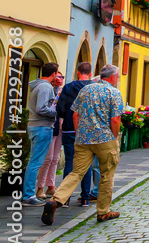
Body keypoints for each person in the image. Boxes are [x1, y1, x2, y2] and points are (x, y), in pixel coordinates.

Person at [42, 64, 124, 225]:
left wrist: (79, 133)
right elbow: (115, 119)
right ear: (112, 77)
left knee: (76, 172)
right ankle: (103, 212)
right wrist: (114, 137)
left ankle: (56, 200)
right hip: (105, 139)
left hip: (83, 139)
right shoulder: (114, 93)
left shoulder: (85, 90)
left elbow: (75, 114)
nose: (118, 78)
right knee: (106, 175)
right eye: (118, 76)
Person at [55, 62, 95, 207]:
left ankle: (65, 198)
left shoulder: (68, 87)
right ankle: (85, 197)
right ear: (90, 73)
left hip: (69, 129)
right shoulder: (94, 88)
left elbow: (60, 109)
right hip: (88, 131)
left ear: (78, 72)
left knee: (70, 163)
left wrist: (66, 117)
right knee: (86, 164)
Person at [22, 62, 60, 207]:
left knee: (34, 161)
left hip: (37, 126)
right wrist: (56, 112)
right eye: (56, 74)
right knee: (35, 162)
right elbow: (42, 108)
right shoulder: (44, 87)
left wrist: (55, 88)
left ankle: (29, 193)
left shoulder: (39, 85)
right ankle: (29, 195)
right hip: (42, 126)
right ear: (53, 74)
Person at [35, 71, 65, 201]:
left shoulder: (63, 91)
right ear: (52, 77)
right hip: (49, 125)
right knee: (47, 158)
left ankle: (51, 185)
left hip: (60, 126)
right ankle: (40, 186)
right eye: (58, 76)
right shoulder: (48, 89)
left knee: (55, 158)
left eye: (62, 77)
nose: (60, 79)